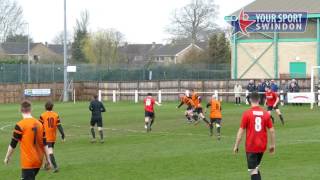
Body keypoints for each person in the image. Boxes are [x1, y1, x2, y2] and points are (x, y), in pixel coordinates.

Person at [4, 101, 52, 180]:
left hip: (28, 162)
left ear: (20, 110)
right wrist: (48, 159)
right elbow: (45, 144)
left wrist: (7, 157)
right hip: (38, 161)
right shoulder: (40, 124)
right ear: (31, 110)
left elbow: (13, 144)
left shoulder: (20, 125)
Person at [233, 92, 276, 180]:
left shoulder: (247, 114)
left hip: (251, 146)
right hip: (262, 146)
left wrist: (236, 146)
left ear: (249, 100)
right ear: (259, 100)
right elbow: (272, 130)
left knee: (253, 171)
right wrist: (272, 145)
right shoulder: (265, 114)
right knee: (255, 168)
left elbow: (241, 132)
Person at [39, 101, 65, 172]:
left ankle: (55, 166)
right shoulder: (56, 115)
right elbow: (59, 126)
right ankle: (47, 165)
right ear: (52, 107)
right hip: (53, 137)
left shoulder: (43, 115)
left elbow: (39, 126)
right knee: (47, 150)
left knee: (49, 151)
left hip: (45, 137)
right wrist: (63, 134)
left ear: (45, 107)